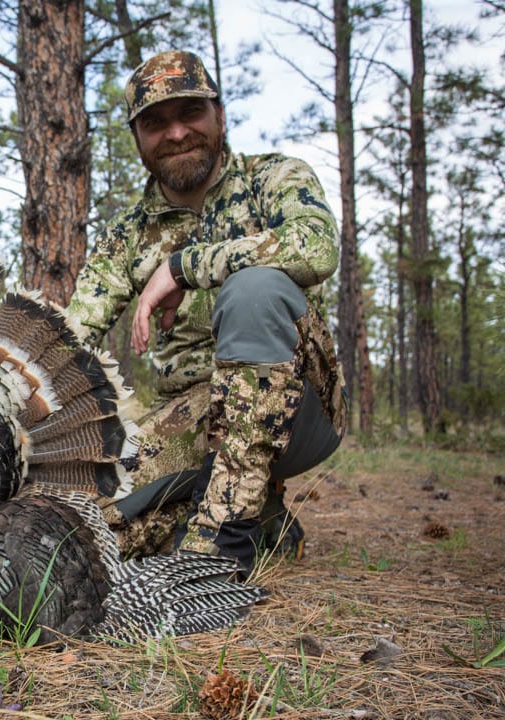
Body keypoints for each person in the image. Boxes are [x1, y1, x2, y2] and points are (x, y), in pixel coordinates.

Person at [65, 50, 347, 577]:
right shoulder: (126, 236)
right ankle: (259, 519)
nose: (176, 133)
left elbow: (316, 245)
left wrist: (183, 267)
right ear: (137, 138)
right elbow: (72, 337)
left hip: (299, 404)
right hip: (192, 415)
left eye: (190, 112)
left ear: (219, 114)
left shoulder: (273, 177)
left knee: (255, 288)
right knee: (78, 519)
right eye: (155, 123)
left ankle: (219, 544)